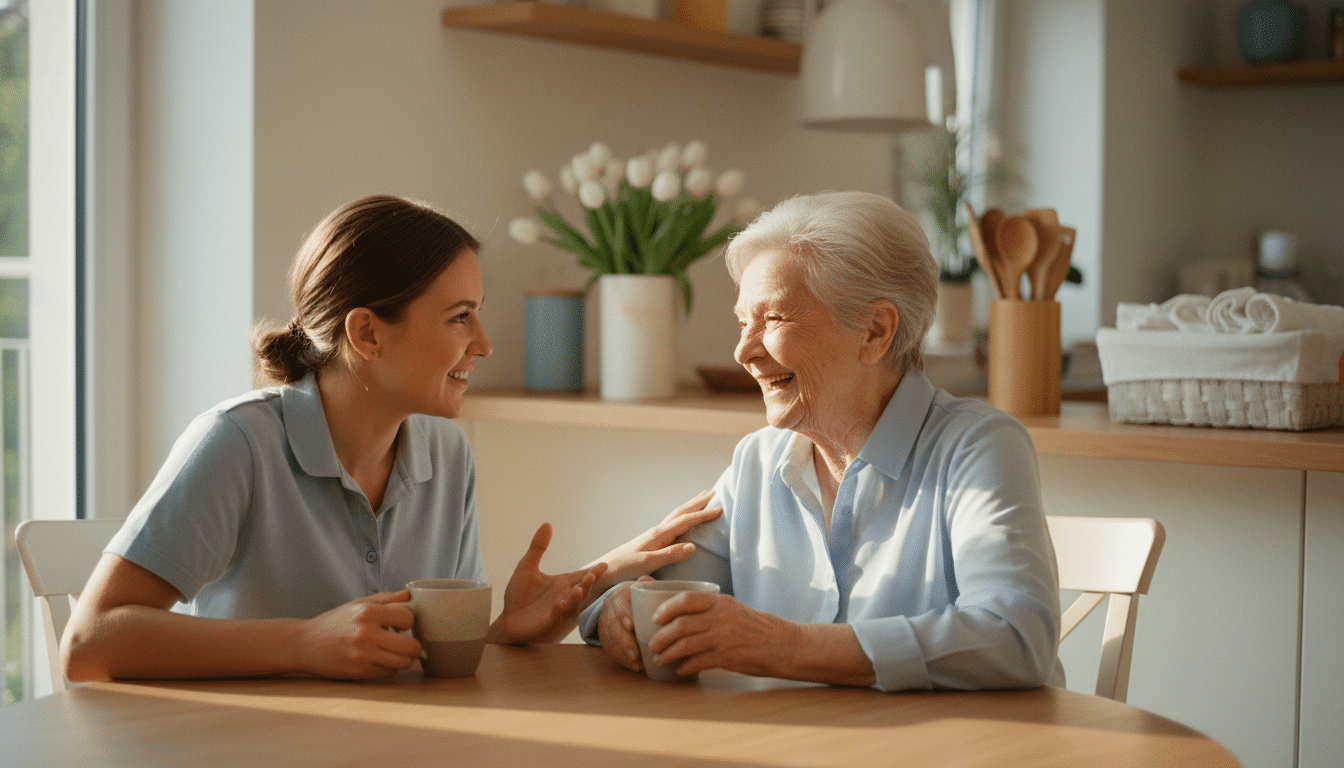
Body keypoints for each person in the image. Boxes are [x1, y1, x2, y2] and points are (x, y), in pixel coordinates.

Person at [63, 194, 718, 682]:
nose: (484, 345)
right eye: (459, 318)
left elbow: (417, 665)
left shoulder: (446, 454)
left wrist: (508, 633)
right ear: (368, 334)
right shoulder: (237, 444)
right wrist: (304, 643)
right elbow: (90, 643)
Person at [580, 191, 1063, 691]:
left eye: (773, 320)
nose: (743, 351)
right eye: (744, 322)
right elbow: (664, 595)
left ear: (875, 331)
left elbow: (1017, 636)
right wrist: (619, 610)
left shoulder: (978, 447)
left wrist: (784, 646)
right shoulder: (758, 461)